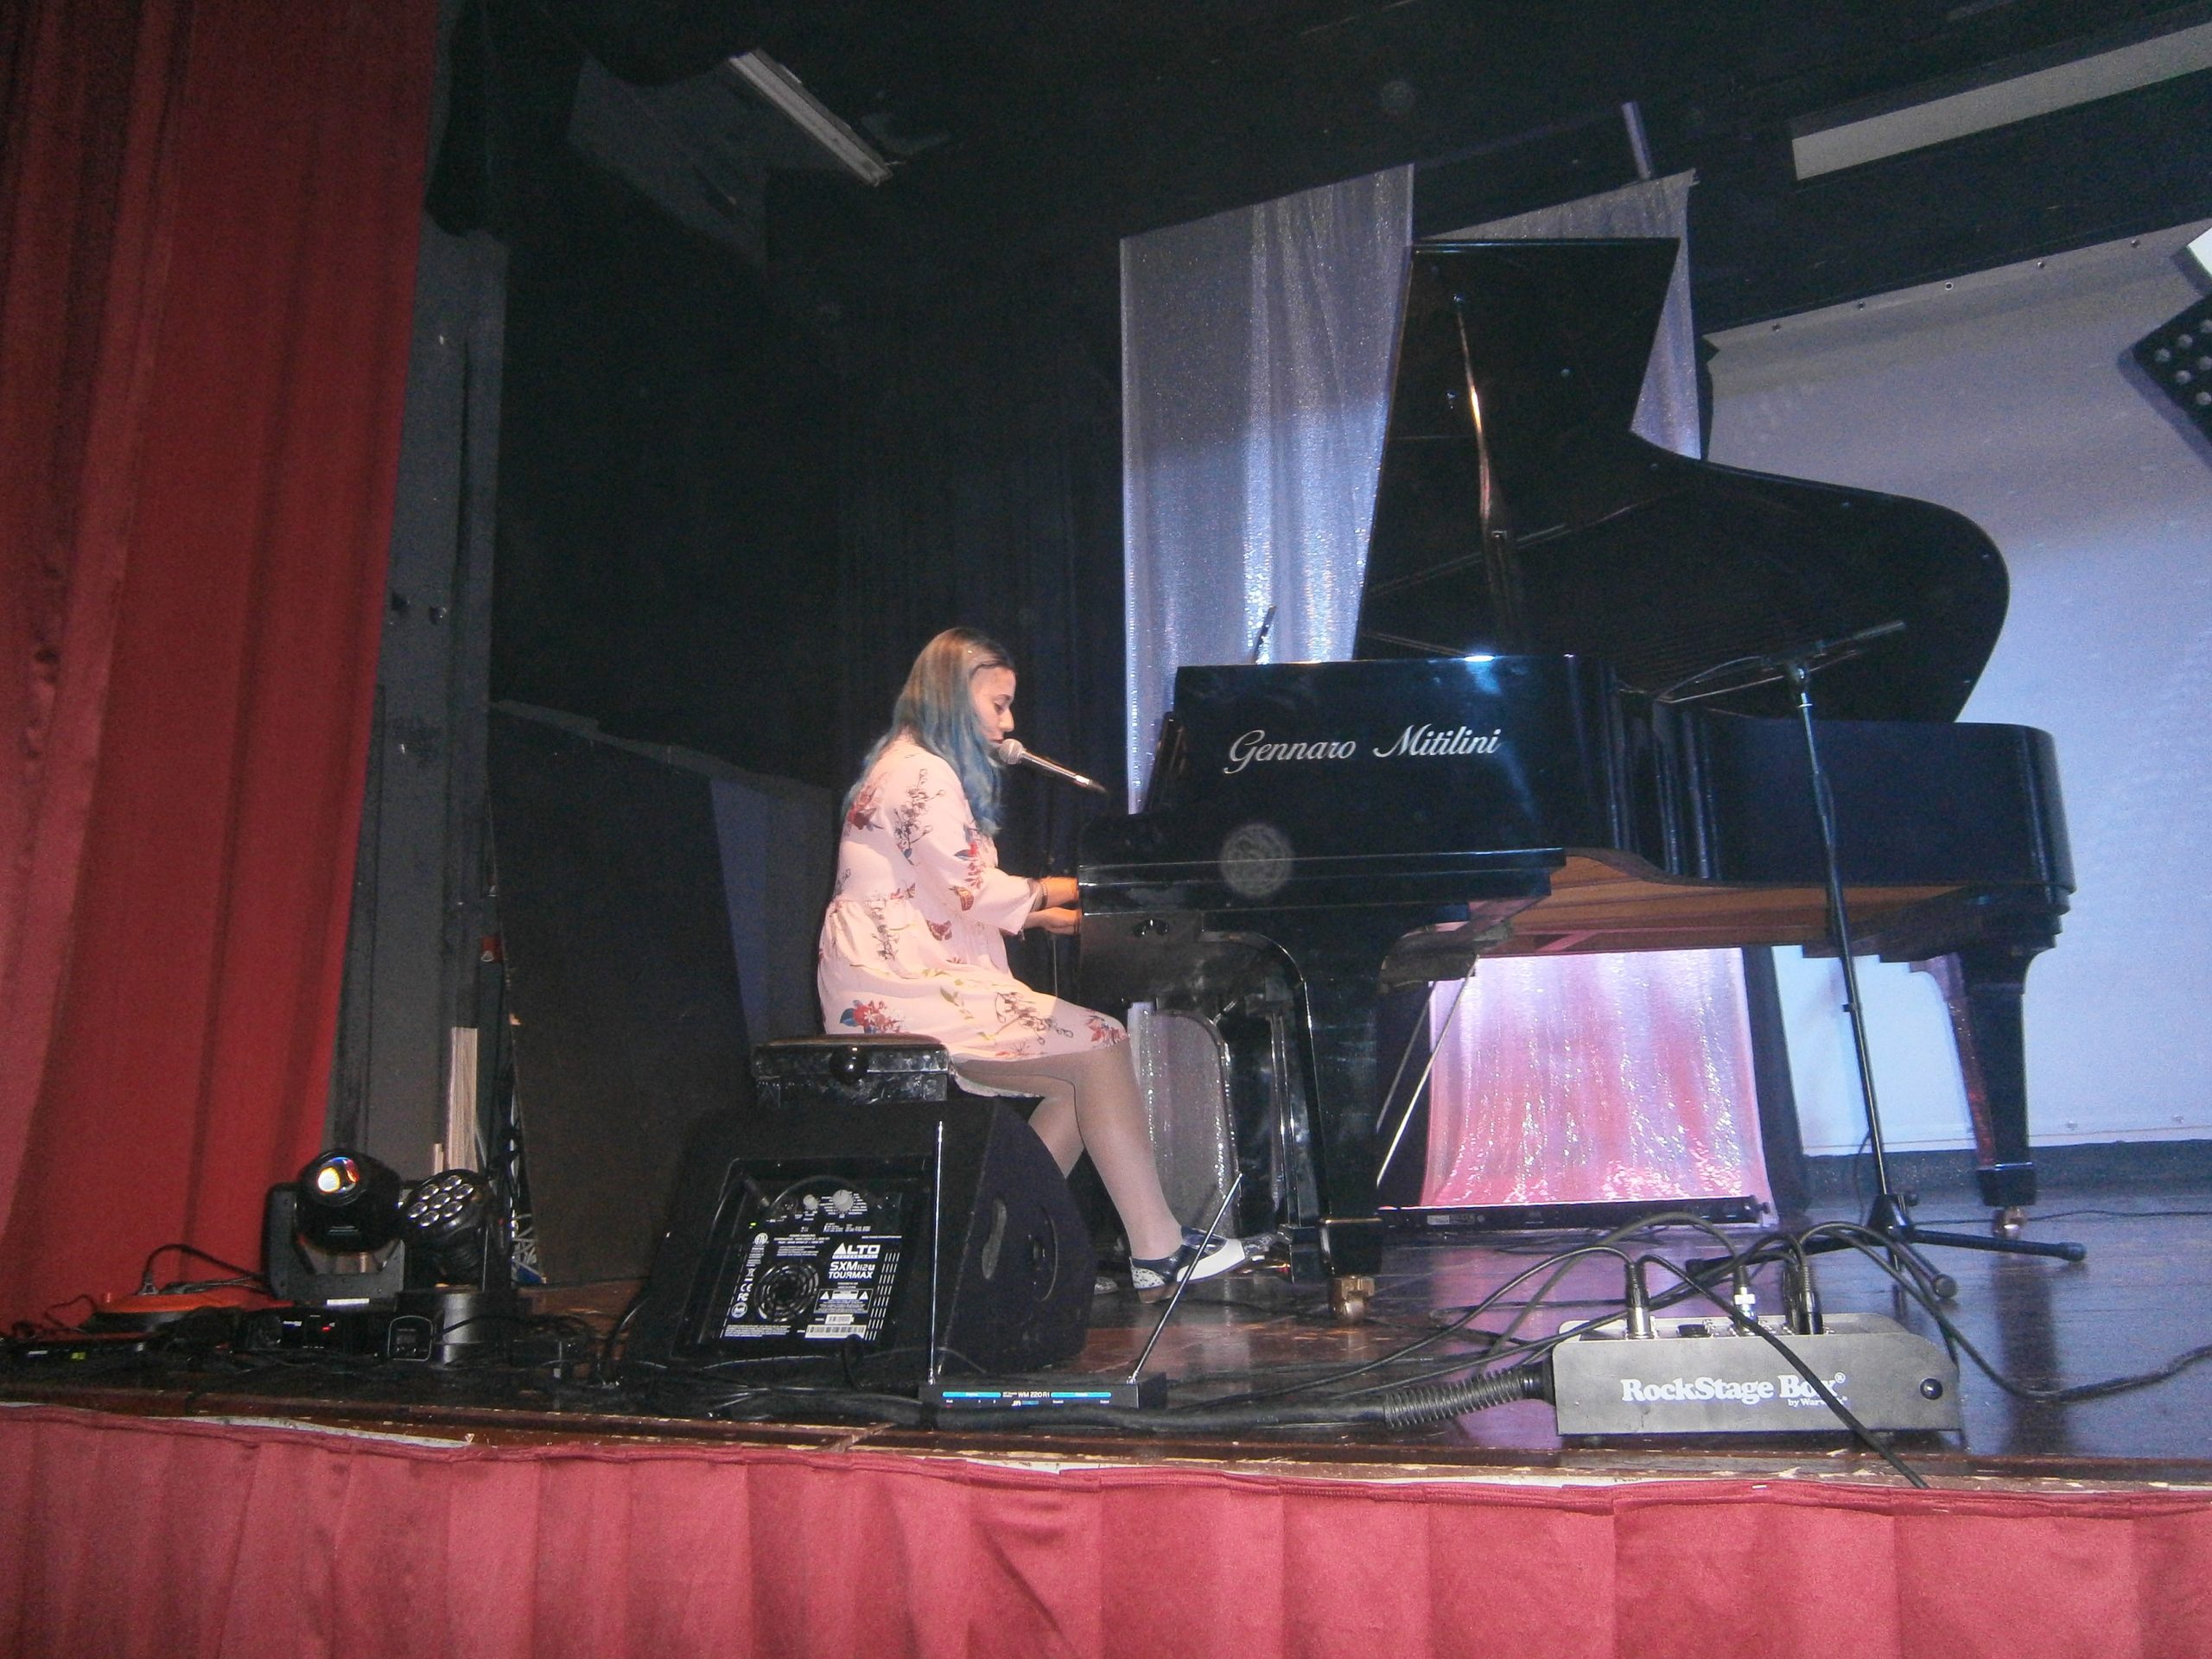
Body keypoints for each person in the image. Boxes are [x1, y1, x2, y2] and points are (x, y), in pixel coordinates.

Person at [817, 627, 1248, 1299]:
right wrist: (1087, 886)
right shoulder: (922, 774)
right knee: (1101, 1043)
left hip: (897, 972)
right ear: (952, 694)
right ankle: (1157, 1249)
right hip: (897, 984)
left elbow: (939, 891)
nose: (1009, 722)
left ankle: (991, 1241)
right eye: (998, 704)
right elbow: (971, 889)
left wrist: (1045, 912)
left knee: (1083, 1079)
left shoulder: (907, 765)